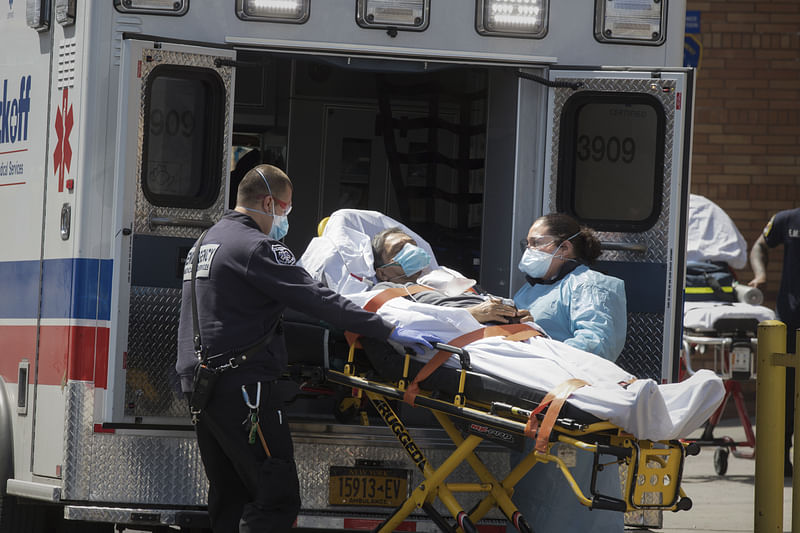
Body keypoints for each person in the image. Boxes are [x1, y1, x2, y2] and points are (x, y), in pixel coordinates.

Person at [176, 164, 438, 533]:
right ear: (269, 202)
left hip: (202, 386)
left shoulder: (206, 243)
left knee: (230, 492)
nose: (284, 219)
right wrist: (387, 329)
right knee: (275, 493)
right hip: (244, 386)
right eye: (285, 209)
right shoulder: (257, 247)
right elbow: (318, 299)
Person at [509, 212, 627, 533]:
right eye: (527, 243)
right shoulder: (532, 290)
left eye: (537, 243)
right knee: (532, 494)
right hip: (535, 399)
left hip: (571, 403)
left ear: (564, 248)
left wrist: (538, 358)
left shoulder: (589, 286)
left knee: (567, 506)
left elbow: (596, 344)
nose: (529, 250)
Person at [372, 227, 530, 324]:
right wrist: (471, 314)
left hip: (508, 327)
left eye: (412, 245)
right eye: (399, 249)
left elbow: (484, 299)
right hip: (475, 335)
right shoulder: (384, 290)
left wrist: (513, 312)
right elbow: (406, 321)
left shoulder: (443, 276)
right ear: (383, 273)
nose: (411, 251)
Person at [748, 207, 800, 477]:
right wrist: (760, 275)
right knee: (786, 392)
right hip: (790, 321)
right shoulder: (787, 220)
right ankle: (782, 457)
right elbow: (760, 246)